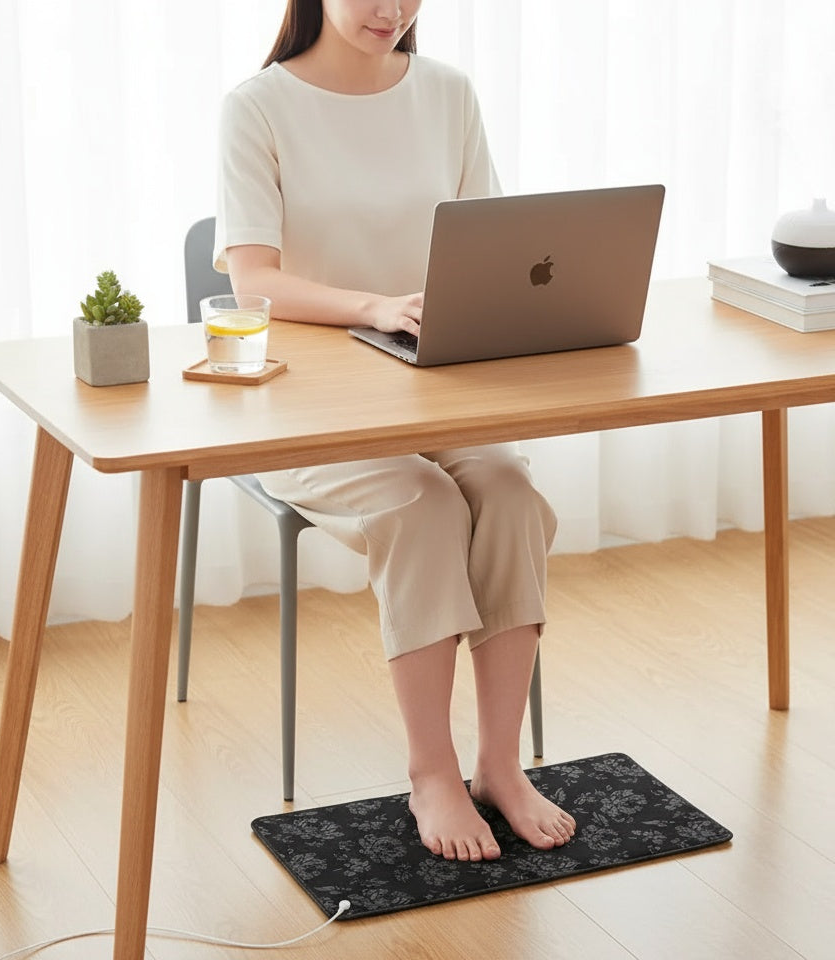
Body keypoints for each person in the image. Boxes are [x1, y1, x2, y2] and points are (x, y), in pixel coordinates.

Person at [213, 0, 576, 862]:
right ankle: (431, 771)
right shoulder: (257, 106)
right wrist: (372, 305)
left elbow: (498, 246)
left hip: (438, 385)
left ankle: (499, 766)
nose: (392, 10)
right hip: (314, 403)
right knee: (422, 504)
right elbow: (251, 281)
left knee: (510, 492)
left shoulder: (448, 94)